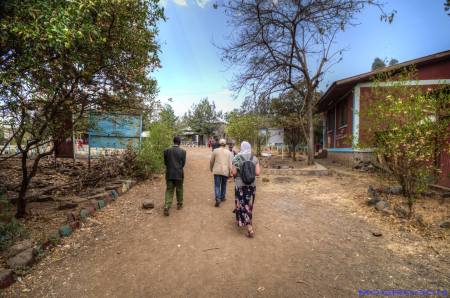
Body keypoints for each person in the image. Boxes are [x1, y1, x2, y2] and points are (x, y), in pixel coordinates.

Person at [232, 141, 261, 238]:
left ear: (241, 147)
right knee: (247, 204)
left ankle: (249, 228)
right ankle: (241, 220)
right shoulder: (254, 158)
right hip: (251, 185)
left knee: (243, 204)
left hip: (240, 185)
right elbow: (257, 173)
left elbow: (234, 173)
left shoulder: (237, 158)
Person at [163, 136, 186, 216]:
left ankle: (166, 206)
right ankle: (179, 204)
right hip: (179, 173)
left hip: (169, 173)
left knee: (169, 190)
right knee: (179, 189)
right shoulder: (183, 151)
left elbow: (165, 163)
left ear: (173, 142)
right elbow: (183, 164)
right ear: (179, 142)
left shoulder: (166, 151)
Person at [210, 139, 232, 207]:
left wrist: (211, 168)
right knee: (224, 185)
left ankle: (218, 199)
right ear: (225, 144)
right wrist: (230, 172)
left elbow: (211, 161)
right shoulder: (228, 152)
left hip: (217, 170)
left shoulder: (215, 151)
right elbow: (230, 163)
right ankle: (222, 197)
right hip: (225, 171)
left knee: (217, 185)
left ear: (219, 144)